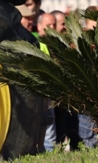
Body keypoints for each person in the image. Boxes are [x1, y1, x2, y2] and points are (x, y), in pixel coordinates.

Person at [36, 12, 58, 152]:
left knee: (50, 129)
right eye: (48, 25)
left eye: (53, 25)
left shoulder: (56, 44)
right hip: (38, 92)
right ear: (39, 26)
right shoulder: (32, 42)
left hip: (50, 93)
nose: (51, 28)